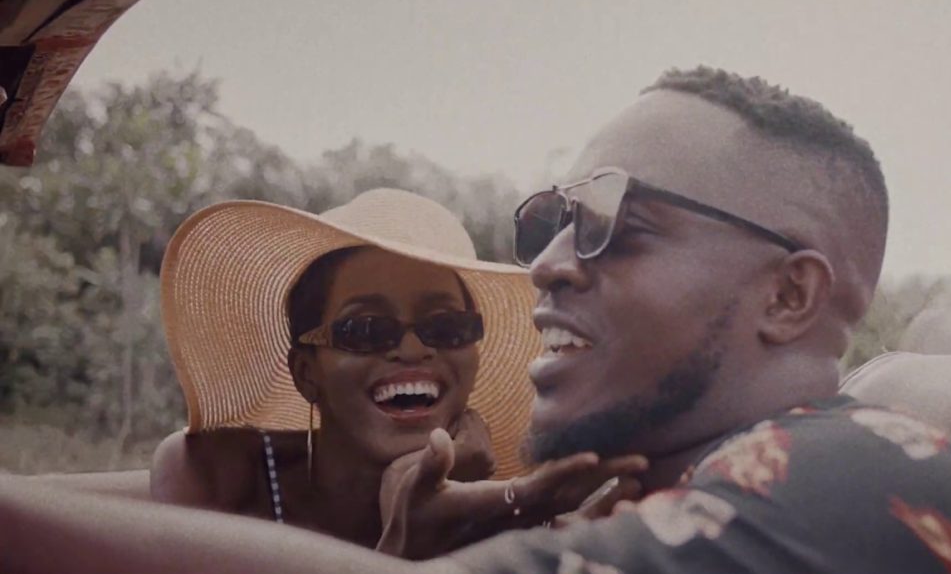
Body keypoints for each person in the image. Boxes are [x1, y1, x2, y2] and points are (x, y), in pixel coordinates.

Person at [0, 67, 951, 574]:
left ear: (790, 296)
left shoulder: (865, 476)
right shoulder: (625, 494)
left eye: (611, 224)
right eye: (548, 222)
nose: (543, 265)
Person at [150, 188, 647, 550]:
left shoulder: (507, 510)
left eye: (446, 326)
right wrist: (405, 556)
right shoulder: (221, 477)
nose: (412, 349)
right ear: (306, 372)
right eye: (366, 329)